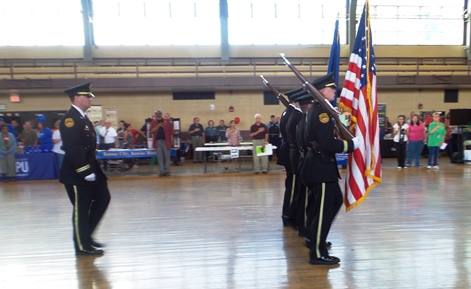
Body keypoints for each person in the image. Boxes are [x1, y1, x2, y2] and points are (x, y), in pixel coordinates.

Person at [303, 72, 359, 265]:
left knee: (334, 201)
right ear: (321, 91)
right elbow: (327, 143)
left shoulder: (320, 109)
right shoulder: (322, 113)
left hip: (321, 165)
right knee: (323, 210)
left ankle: (314, 238)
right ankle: (317, 253)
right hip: (321, 166)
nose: (335, 90)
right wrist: (351, 146)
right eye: (331, 88)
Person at [61, 82, 110, 256]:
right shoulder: (70, 119)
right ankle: (82, 246)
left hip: (91, 168)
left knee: (103, 197)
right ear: (76, 98)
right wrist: (84, 170)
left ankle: (86, 235)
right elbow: (73, 147)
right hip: (77, 172)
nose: (90, 99)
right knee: (81, 209)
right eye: (87, 96)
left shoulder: (82, 117)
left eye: (90, 96)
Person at [150, 110, 174, 176]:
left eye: (159, 113)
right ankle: (161, 171)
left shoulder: (167, 121)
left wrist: (172, 140)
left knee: (167, 157)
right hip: (158, 141)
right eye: (156, 114)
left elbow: (171, 132)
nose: (158, 115)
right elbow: (151, 131)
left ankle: (167, 171)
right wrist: (158, 125)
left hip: (166, 141)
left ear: (161, 114)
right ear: (155, 115)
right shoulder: (153, 122)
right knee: (160, 157)